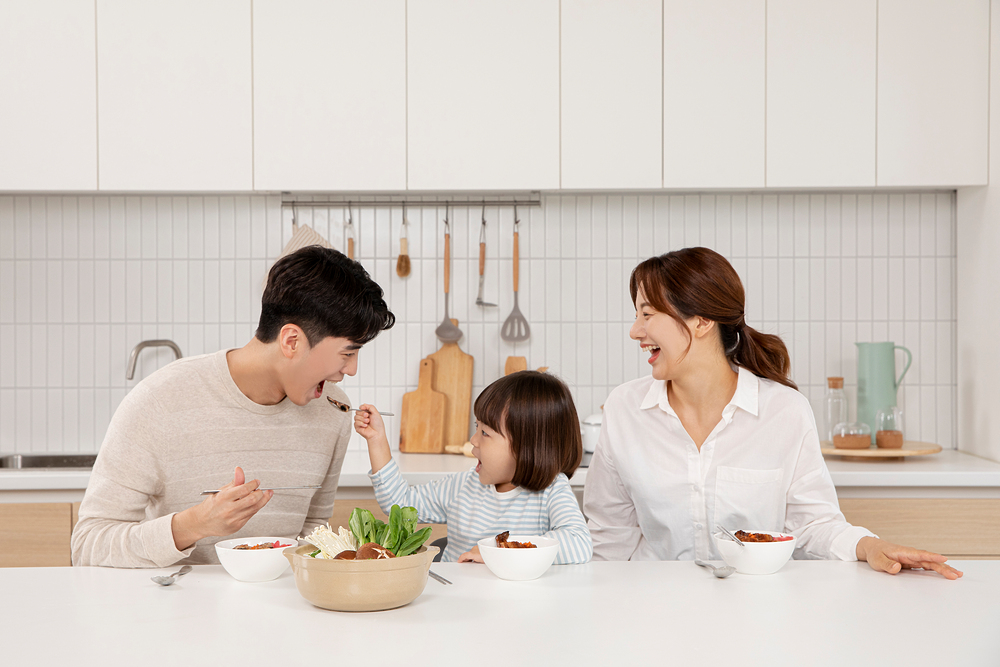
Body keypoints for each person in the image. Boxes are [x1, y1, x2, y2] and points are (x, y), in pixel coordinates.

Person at [583, 247, 961, 580]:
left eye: (647, 314)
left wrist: (870, 546)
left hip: (757, 609)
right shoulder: (624, 409)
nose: (635, 331)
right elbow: (609, 537)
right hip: (654, 609)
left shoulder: (784, 412)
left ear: (701, 320)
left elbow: (813, 524)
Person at [71, 246, 394, 567]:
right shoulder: (158, 401)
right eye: (347, 353)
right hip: (179, 599)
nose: (351, 370)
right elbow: (87, 545)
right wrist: (192, 525)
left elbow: (313, 531)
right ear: (291, 341)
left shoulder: (333, 411)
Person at [353, 371, 593, 564]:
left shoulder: (551, 490)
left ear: (528, 447)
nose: (474, 440)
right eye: (477, 427)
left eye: (485, 433)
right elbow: (399, 502)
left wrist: (501, 551)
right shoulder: (462, 486)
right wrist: (377, 440)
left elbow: (579, 543)